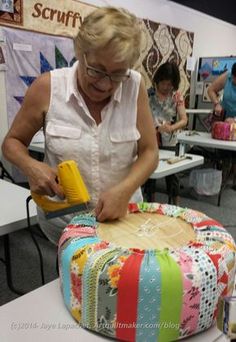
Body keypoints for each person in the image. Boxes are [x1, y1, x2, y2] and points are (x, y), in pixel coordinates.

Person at [1, 6, 158, 245]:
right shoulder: (47, 88)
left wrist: (124, 190)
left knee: (121, 277)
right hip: (64, 218)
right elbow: (11, 143)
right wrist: (31, 166)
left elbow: (150, 151)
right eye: (97, 70)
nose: (106, 85)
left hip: (121, 215)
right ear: (80, 51)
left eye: (117, 74)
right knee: (70, 276)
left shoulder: (134, 88)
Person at [148, 62, 188, 205]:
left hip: (170, 142)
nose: (166, 87)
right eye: (163, 83)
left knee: (173, 178)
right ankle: (149, 206)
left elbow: (184, 120)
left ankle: (175, 208)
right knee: (150, 177)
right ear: (158, 80)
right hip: (151, 141)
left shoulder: (177, 96)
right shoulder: (148, 95)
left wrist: (171, 128)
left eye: (170, 84)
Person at [208, 62, 236, 189]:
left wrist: (235, 120)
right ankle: (222, 177)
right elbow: (211, 90)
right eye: (234, 78)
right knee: (223, 152)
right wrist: (216, 103)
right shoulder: (227, 77)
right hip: (225, 120)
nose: (234, 81)